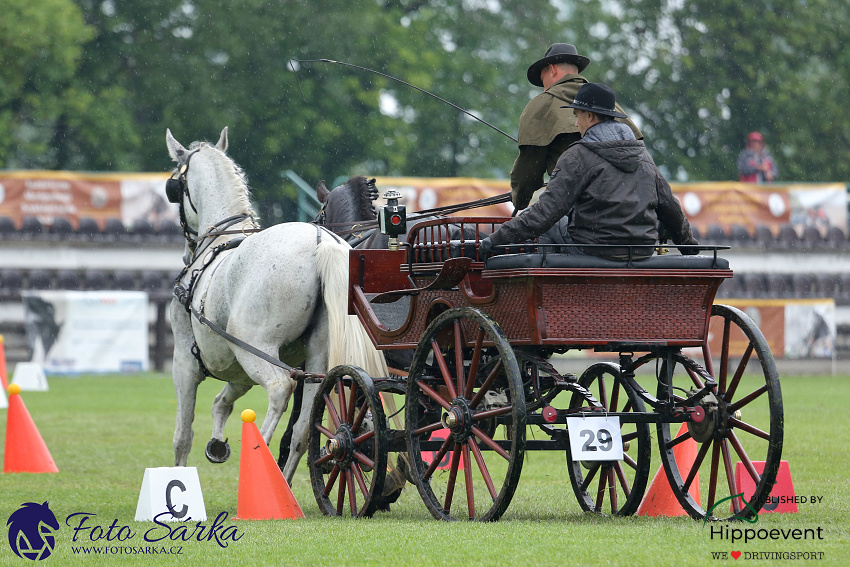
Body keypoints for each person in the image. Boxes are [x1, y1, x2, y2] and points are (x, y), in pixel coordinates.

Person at [481, 83, 698, 260]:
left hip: (594, 250)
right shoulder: (644, 158)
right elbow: (671, 208)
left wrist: (495, 240)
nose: (576, 124)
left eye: (577, 116)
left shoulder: (578, 156)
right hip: (640, 251)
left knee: (542, 221)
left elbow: (546, 213)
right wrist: (688, 246)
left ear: (591, 117)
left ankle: (549, 291)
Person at [510, 43, 643, 210]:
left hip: (575, 210)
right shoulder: (611, 106)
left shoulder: (541, 106)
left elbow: (528, 172)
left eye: (543, 79)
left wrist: (519, 200)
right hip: (629, 208)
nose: (544, 88)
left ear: (552, 69)